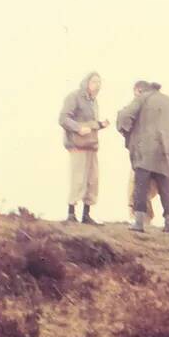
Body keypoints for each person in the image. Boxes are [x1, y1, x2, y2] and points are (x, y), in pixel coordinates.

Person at [117, 80, 169, 233]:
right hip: (166, 150)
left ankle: (139, 223)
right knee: (166, 188)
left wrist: (126, 132)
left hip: (145, 150)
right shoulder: (167, 100)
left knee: (140, 185)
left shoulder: (142, 97)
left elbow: (124, 116)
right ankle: (168, 223)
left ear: (139, 90)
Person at [58, 71, 109, 225]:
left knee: (92, 180)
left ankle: (86, 215)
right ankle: (71, 214)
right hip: (77, 145)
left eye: (99, 82)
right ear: (86, 82)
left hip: (91, 146)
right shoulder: (74, 97)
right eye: (94, 81)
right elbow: (63, 118)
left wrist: (100, 125)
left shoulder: (94, 101)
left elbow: (90, 124)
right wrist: (77, 128)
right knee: (78, 178)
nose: (97, 85)